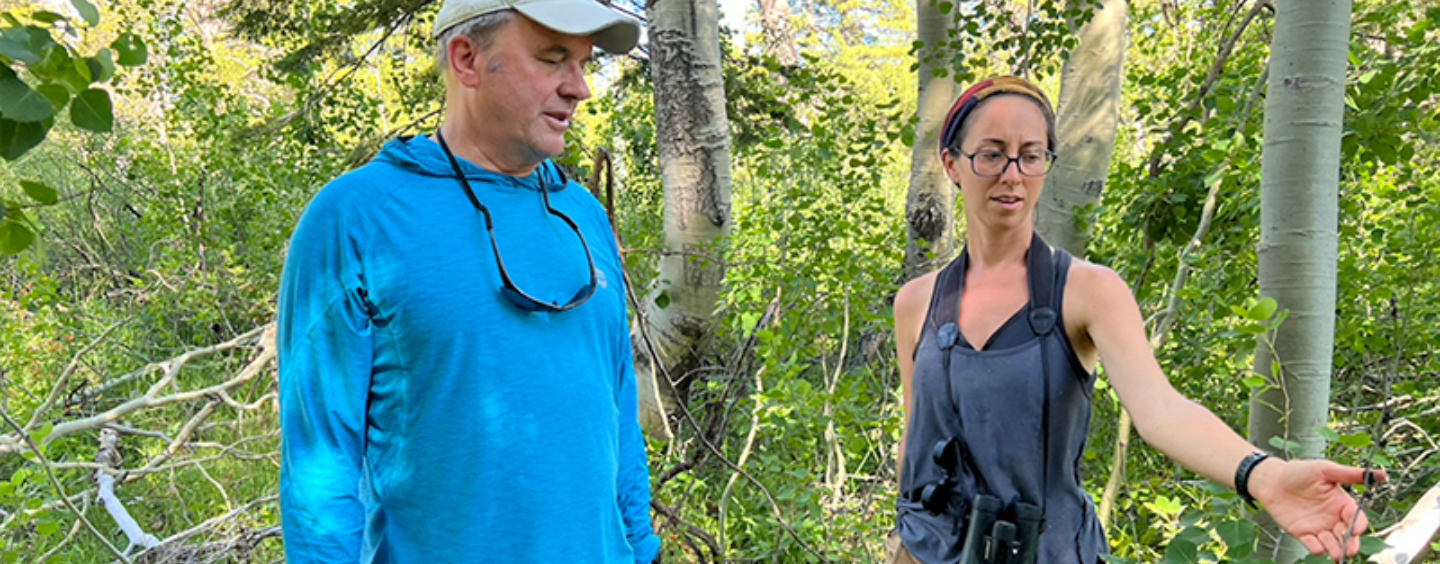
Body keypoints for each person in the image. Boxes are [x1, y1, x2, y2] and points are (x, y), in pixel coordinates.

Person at [887, 76, 1385, 564]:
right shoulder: (918, 303)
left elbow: (1161, 411)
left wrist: (1263, 474)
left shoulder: (1086, 290)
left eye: (1031, 154)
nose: (1012, 173)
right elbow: (917, 435)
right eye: (992, 153)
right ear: (952, 164)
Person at [275, 0, 661, 562]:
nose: (579, 88)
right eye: (553, 59)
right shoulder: (359, 217)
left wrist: (643, 548)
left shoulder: (583, 215)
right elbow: (320, 468)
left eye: (583, 63)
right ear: (467, 59)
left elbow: (617, 406)